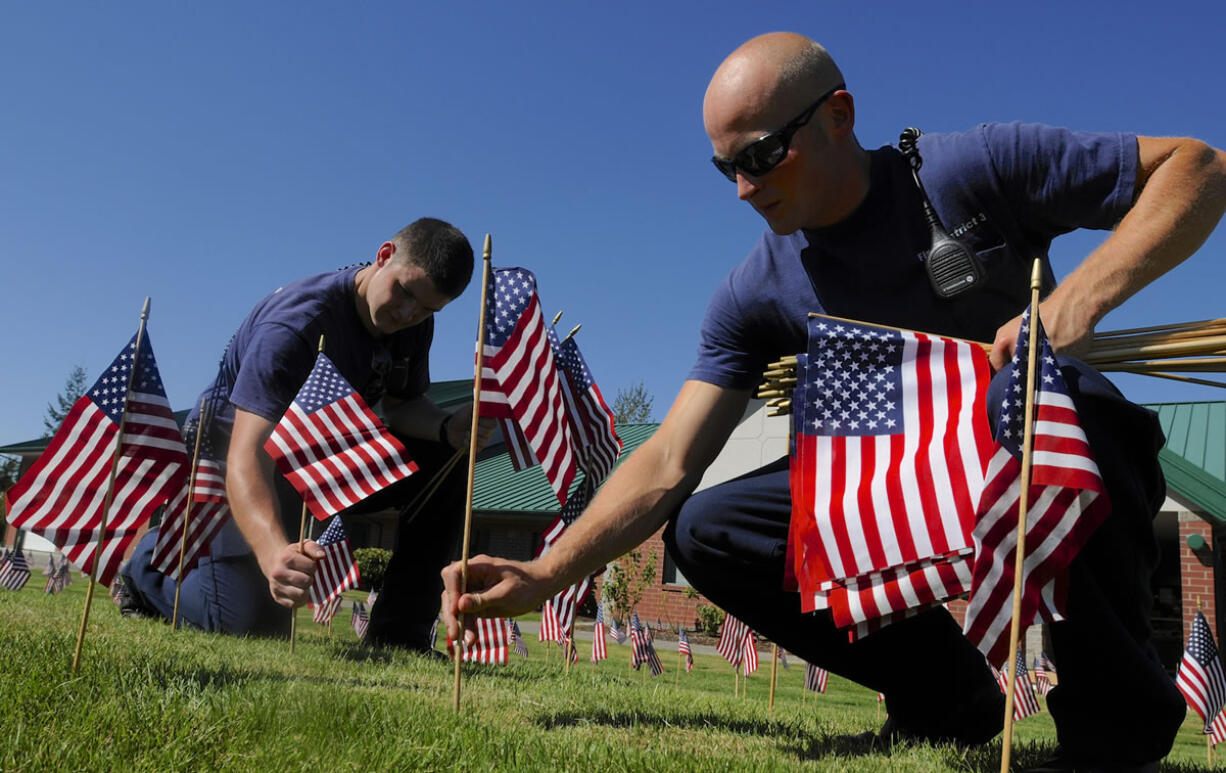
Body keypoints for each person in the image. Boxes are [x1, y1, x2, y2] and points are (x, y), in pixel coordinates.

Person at [443, 33, 1226, 769]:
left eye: (761, 155)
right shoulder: (756, 292)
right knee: (709, 527)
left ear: (838, 117)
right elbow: (668, 458)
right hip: (893, 493)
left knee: (1081, 408)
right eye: (726, 169)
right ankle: (946, 700)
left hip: (1027, 456)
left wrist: (1072, 306)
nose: (745, 189)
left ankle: (1113, 730)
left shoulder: (973, 169)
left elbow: (1199, 167)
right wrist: (547, 571)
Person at [121, 217, 494, 653]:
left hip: (322, 447)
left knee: (445, 462)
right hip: (231, 456)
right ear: (384, 255)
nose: (409, 314)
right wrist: (273, 554)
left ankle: (398, 636)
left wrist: (447, 427)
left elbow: (400, 404)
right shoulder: (296, 326)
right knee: (251, 625)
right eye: (406, 293)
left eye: (429, 309)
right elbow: (247, 455)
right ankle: (148, 567)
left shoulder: (413, 324)